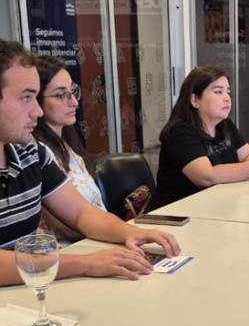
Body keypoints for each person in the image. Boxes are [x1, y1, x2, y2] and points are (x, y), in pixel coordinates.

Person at [0, 39, 180, 287]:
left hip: (30, 291)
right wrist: (83, 263)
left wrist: (130, 233)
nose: (38, 112)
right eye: (26, 98)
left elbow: (81, 213)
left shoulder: (32, 152)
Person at [155, 65, 249, 207]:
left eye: (228, 92)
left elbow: (248, 155)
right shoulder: (180, 132)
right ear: (195, 100)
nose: (227, 98)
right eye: (218, 92)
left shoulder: (224, 124)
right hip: (180, 213)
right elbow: (207, 177)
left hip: (218, 205)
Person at [32, 56, 106, 243]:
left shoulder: (67, 145)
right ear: (36, 100)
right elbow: (66, 225)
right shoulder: (35, 153)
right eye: (60, 95)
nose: (74, 102)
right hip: (69, 250)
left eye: (73, 92)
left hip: (93, 241)